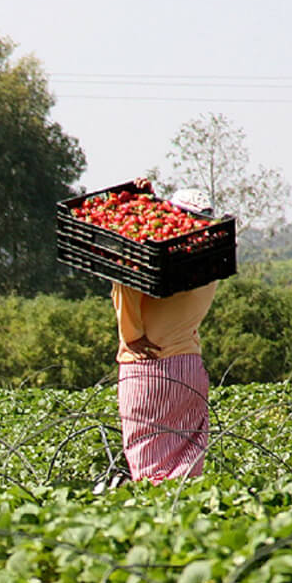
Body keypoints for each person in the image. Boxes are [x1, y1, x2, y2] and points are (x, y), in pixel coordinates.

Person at [108, 182, 219, 482]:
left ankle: (158, 525)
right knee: (186, 467)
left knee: (149, 467)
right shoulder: (211, 259)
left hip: (148, 370)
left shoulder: (154, 258)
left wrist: (132, 338)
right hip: (188, 369)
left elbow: (124, 282)